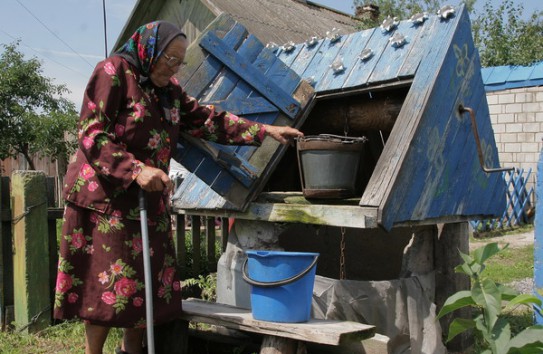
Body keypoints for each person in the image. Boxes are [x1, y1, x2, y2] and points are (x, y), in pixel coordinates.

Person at [53, 20, 303, 354]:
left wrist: (264, 131)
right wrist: (135, 169)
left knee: (144, 285)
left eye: (178, 61)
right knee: (105, 288)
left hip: (148, 199)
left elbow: (206, 120)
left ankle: (132, 351)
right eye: (167, 58)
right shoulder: (113, 72)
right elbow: (92, 132)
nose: (172, 67)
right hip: (105, 201)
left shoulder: (168, 90)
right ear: (148, 49)